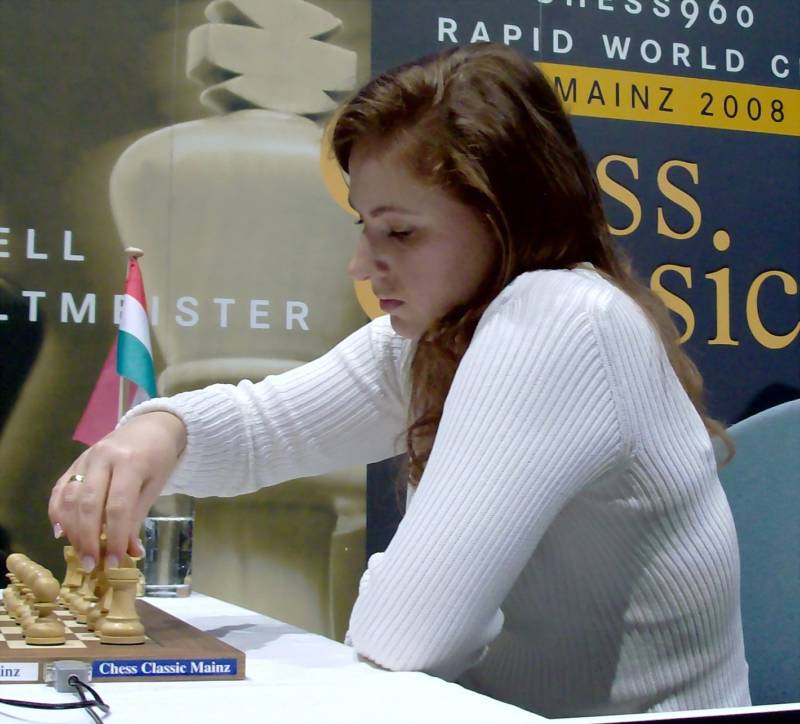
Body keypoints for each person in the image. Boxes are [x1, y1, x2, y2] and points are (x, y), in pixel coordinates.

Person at [49, 43, 750, 717]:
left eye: (400, 233)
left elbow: (405, 637)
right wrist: (155, 433)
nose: (361, 264)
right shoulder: (441, 338)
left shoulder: (559, 320)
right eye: (364, 225)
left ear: (504, 217)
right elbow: (267, 427)